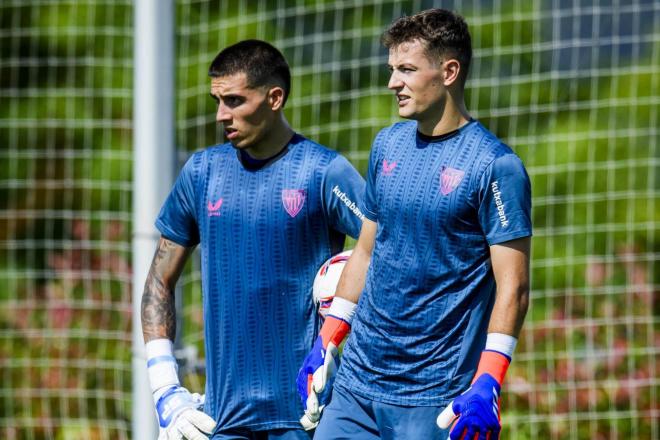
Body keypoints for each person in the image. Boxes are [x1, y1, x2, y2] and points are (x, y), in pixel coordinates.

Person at [297, 9, 532, 439]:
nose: (392, 83)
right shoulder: (386, 144)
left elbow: (513, 286)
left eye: (406, 70)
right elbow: (366, 251)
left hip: (435, 396)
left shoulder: (496, 166)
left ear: (449, 71)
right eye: (392, 70)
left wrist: (489, 381)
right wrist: (328, 339)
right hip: (355, 387)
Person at [141, 39, 366, 440]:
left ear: (274, 97)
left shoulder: (324, 172)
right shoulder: (201, 173)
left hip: (308, 418)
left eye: (234, 101)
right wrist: (165, 390)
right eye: (217, 101)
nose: (220, 115)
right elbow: (159, 280)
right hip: (219, 422)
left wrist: (341, 324)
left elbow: (385, 250)